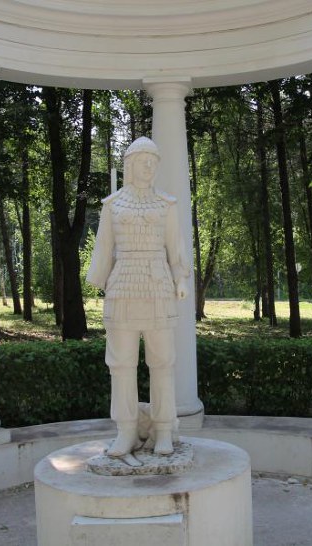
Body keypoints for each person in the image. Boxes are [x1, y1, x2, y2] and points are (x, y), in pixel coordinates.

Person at [86, 137, 189, 457]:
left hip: (158, 287)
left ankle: (163, 430)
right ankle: (126, 431)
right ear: (129, 165)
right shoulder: (112, 205)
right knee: (121, 364)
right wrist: (97, 281)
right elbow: (104, 246)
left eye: (153, 161)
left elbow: (175, 247)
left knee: (163, 362)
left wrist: (180, 278)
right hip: (122, 288)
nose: (149, 166)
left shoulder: (167, 204)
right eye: (143, 161)